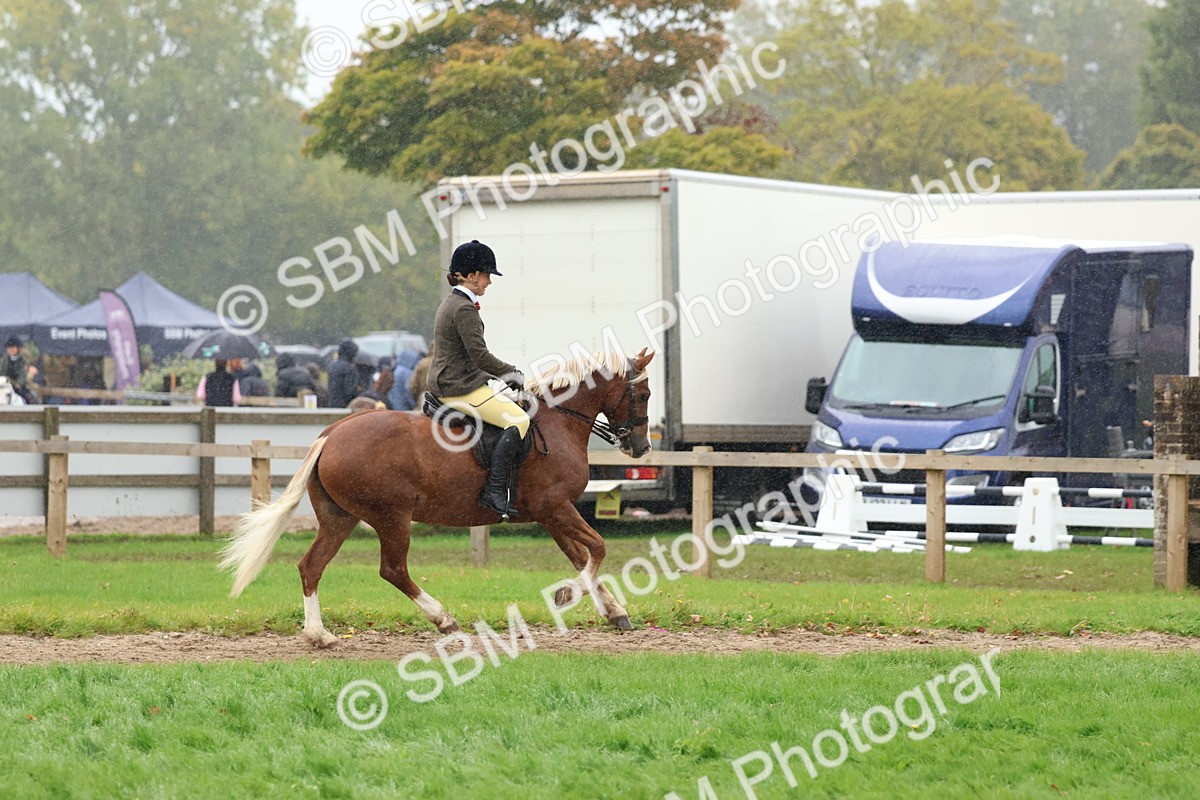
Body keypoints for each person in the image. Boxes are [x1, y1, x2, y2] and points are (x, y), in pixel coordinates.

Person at [428, 239, 527, 518]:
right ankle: (494, 491)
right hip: (457, 387)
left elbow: (468, 357)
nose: (488, 283)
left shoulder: (453, 302)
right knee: (520, 419)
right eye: (486, 276)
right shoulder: (463, 309)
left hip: (455, 379)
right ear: (471, 276)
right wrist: (511, 372)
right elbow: (480, 355)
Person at [327, 339, 365, 408]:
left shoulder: (332, 365)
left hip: (332, 404)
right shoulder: (350, 369)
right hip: (345, 406)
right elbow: (349, 391)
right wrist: (361, 393)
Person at [3, 336, 35, 404]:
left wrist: (18, 384)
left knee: (30, 399)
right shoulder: (4, 359)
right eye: (9, 347)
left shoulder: (23, 360)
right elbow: (2, 371)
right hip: (5, 384)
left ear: (18, 348)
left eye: (13, 347)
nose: (10, 349)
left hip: (18, 386)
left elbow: (22, 374)